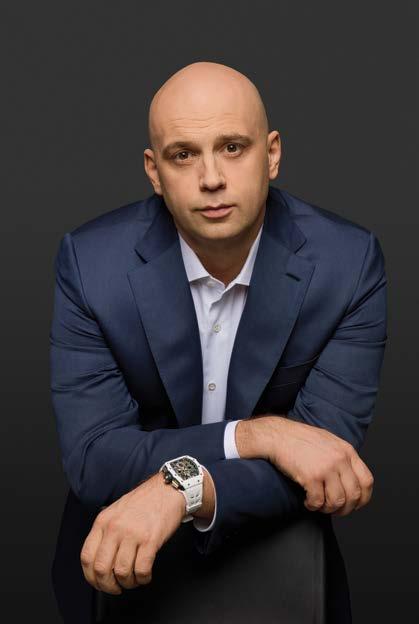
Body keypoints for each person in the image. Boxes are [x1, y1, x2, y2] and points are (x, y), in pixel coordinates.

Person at [50, 61, 387, 623]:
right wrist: (259, 435)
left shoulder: (347, 265)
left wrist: (181, 488)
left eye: (233, 148)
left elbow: (326, 463)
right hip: (120, 568)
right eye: (184, 155)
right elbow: (95, 459)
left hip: (283, 569)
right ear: (154, 171)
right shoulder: (91, 265)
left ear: (271, 154)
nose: (211, 178)